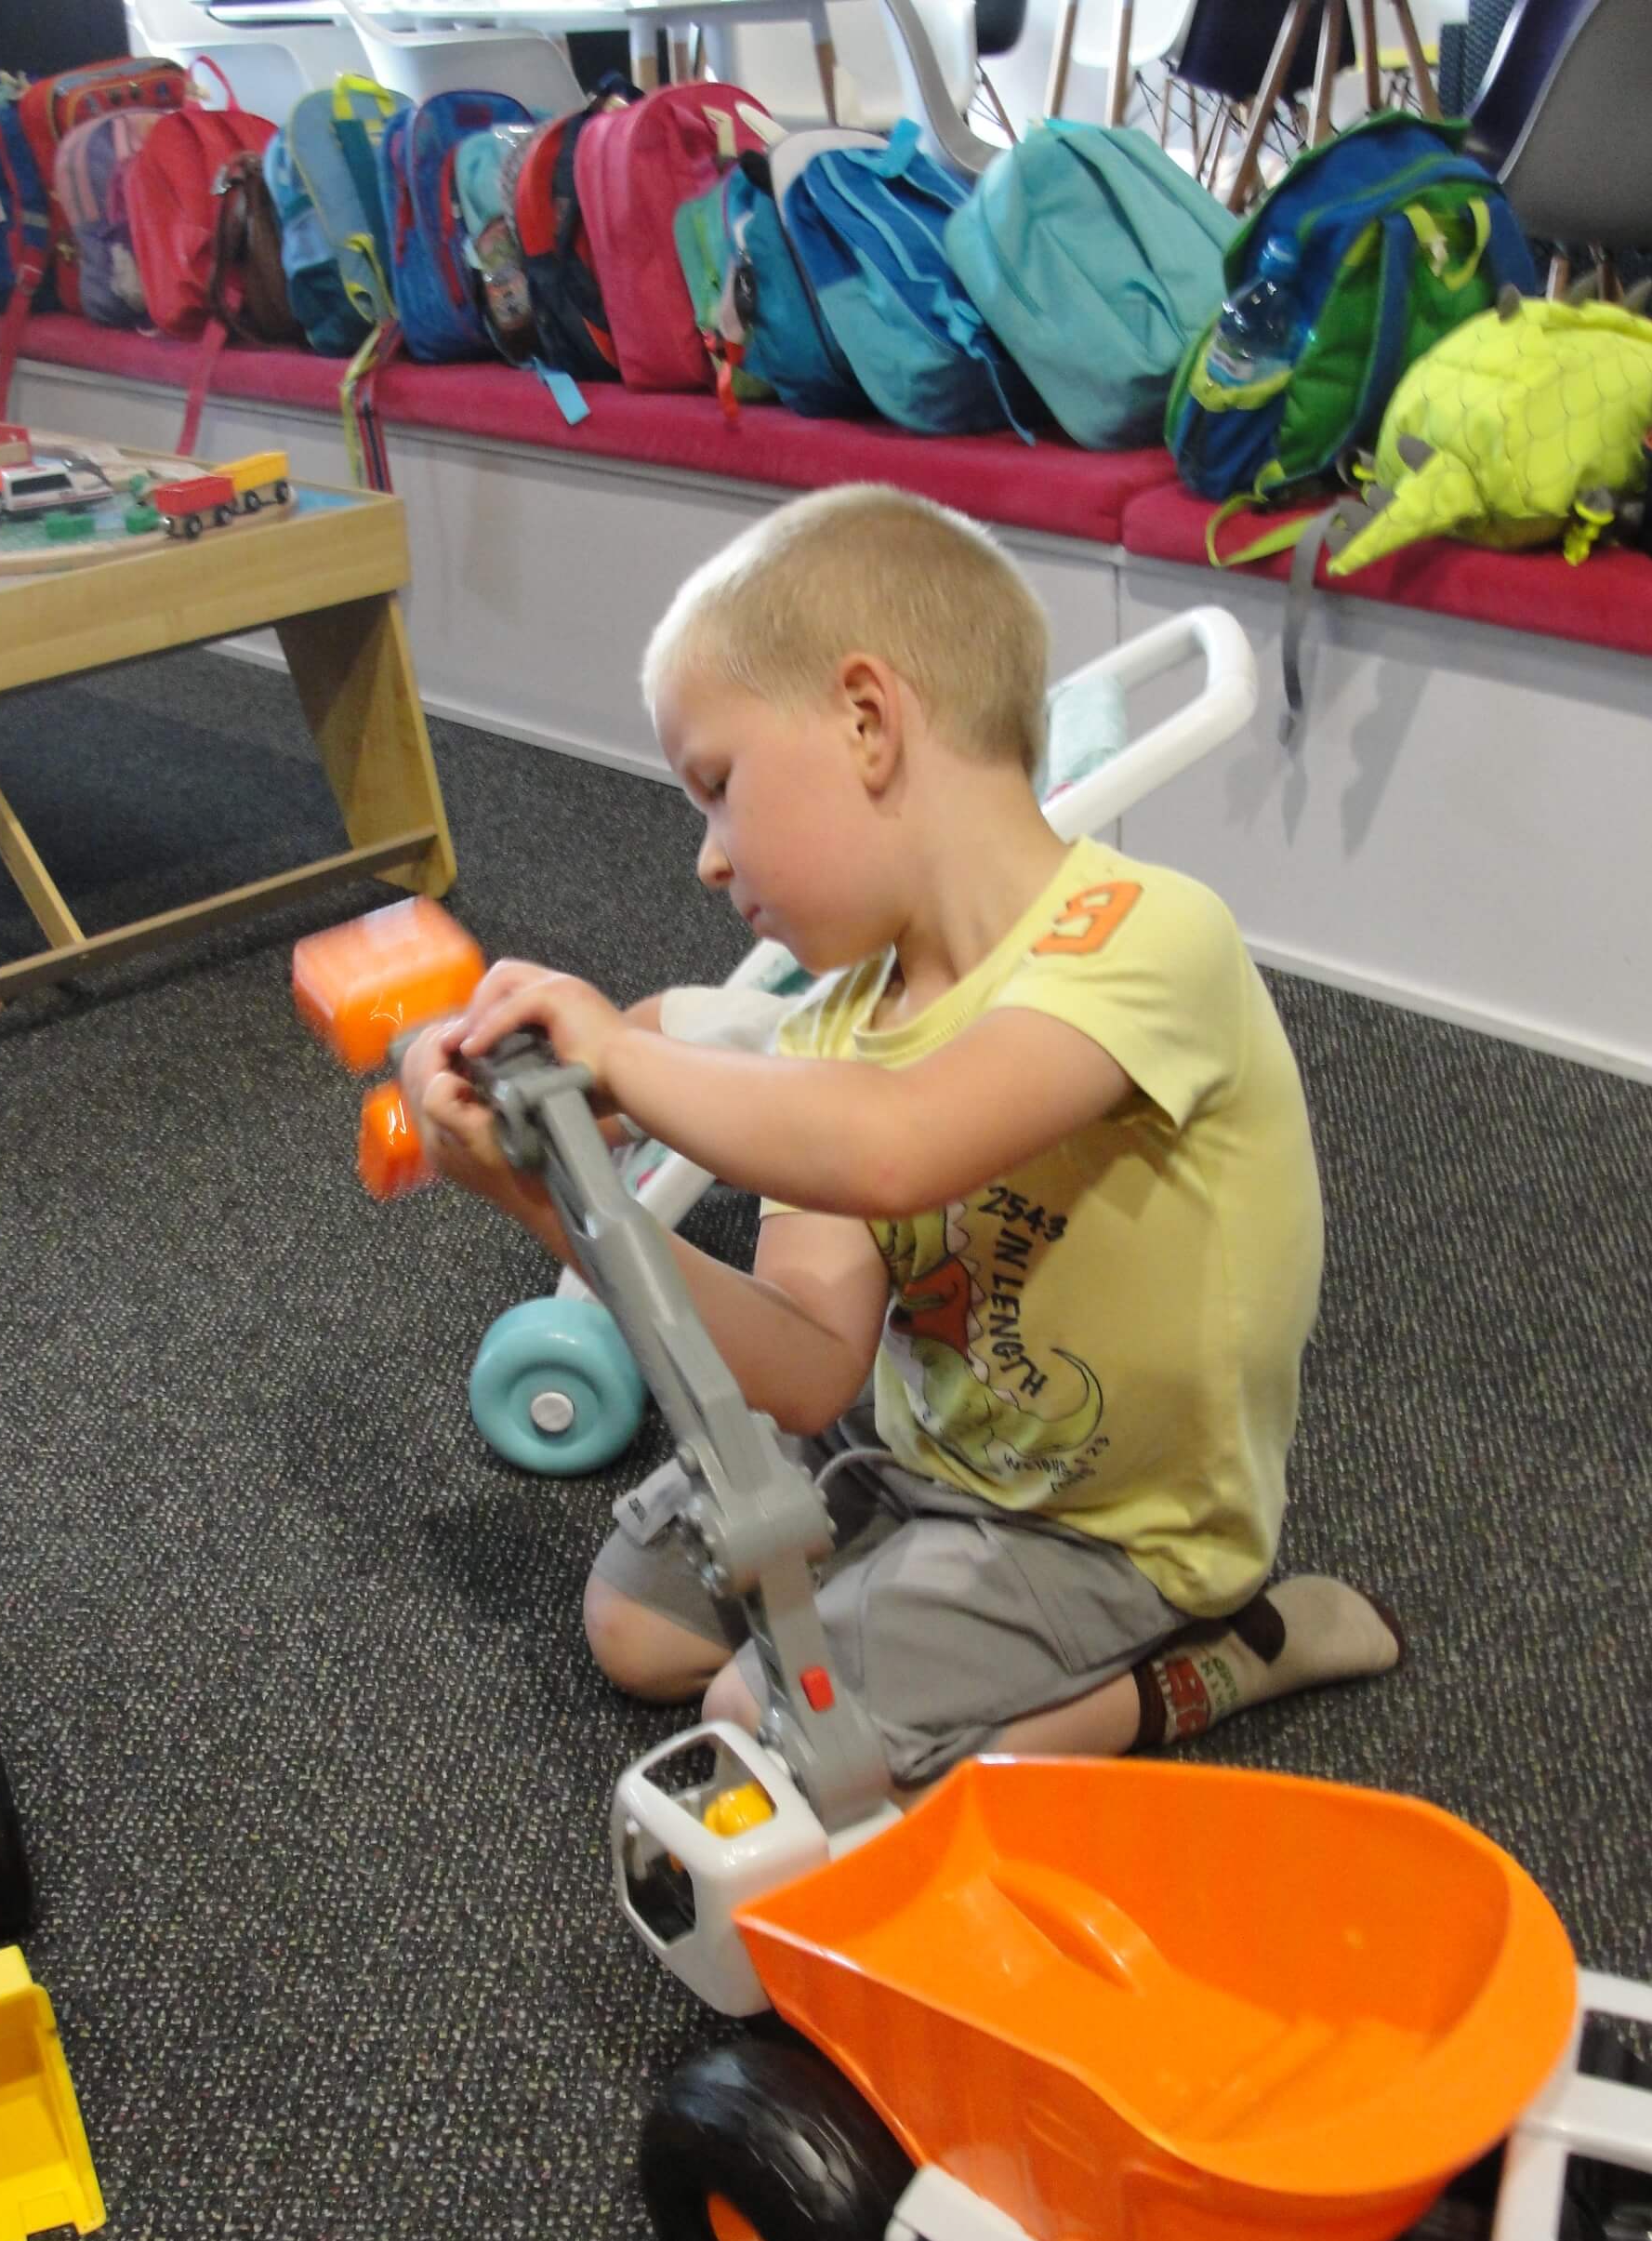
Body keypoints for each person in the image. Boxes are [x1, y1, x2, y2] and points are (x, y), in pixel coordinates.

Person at [398, 484, 1402, 1791]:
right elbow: (808, 1368)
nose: (707, 858)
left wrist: (632, 1060)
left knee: (767, 1731)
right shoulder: (833, 1027)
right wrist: (545, 1197)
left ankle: (1199, 1668)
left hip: (1110, 1533)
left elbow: (898, 1145)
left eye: (718, 787)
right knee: (634, 1630)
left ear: (867, 722)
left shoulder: (1146, 935)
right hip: (915, 1450)